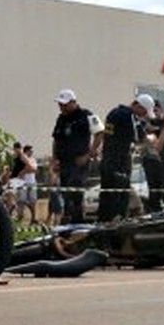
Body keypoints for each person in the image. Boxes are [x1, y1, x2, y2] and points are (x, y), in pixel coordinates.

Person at [97, 93, 156, 222]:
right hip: (119, 161)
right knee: (119, 200)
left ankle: (103, 226)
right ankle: (116, 229)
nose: (143, 116)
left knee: (107, 197)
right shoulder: (128, 116)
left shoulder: (114, 112)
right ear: (138, 106)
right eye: (144, 112)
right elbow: (142, 138)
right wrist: (154, 137)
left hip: (108, 160)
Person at [50, 89, 103, 224]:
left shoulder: (86, 115)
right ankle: (68, 221)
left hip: (79, 162)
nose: (62, 107)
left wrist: (88, 154)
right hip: (64, 162)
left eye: (65, 104)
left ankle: (77, 221)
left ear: (73, 102)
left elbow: (100, 133)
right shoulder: (61, 119)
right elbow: (56, 139)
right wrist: (55, 159)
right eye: (60, 104)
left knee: (75, 192)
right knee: (66, 193)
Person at [140, 99, 164, 214]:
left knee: (162, 187)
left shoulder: (163, 123)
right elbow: (148, 136)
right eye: (153, 110)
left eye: (156, 110)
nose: (154, 113)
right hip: (150, 158)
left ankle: (158, 207)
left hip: (163, 159)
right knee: (153, 187)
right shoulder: (145, 123)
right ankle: (154, 208)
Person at [13, 144, 40, 226]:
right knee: (22, 200)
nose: (32, 152)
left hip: (32, 182)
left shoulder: (33, 159)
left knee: (33, 200)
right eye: (30, 150)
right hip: (22, 182)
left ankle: (33, 218)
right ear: (26, 151)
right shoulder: (22, 158)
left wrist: (24, 170)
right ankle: (20, 216)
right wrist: (26, 169)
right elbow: (20, 170)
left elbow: (34, 169)